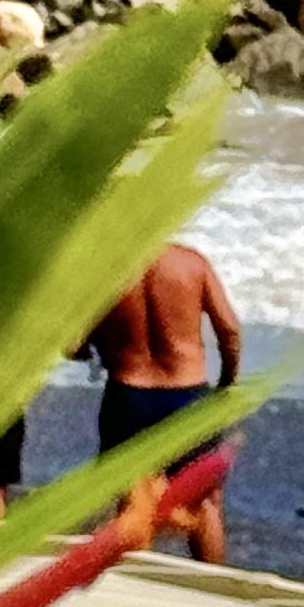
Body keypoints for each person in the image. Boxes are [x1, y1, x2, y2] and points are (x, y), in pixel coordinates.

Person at [85, 241, 241, 564]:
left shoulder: (106, 271)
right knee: (205, 499)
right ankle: (212, 589)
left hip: (129, 394)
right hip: (187, 393)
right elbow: (229, 330)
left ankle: (139, 589)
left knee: (134, 501)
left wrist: (104, 344)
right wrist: (226, 382)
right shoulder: (191, 263)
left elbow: (72, 342)